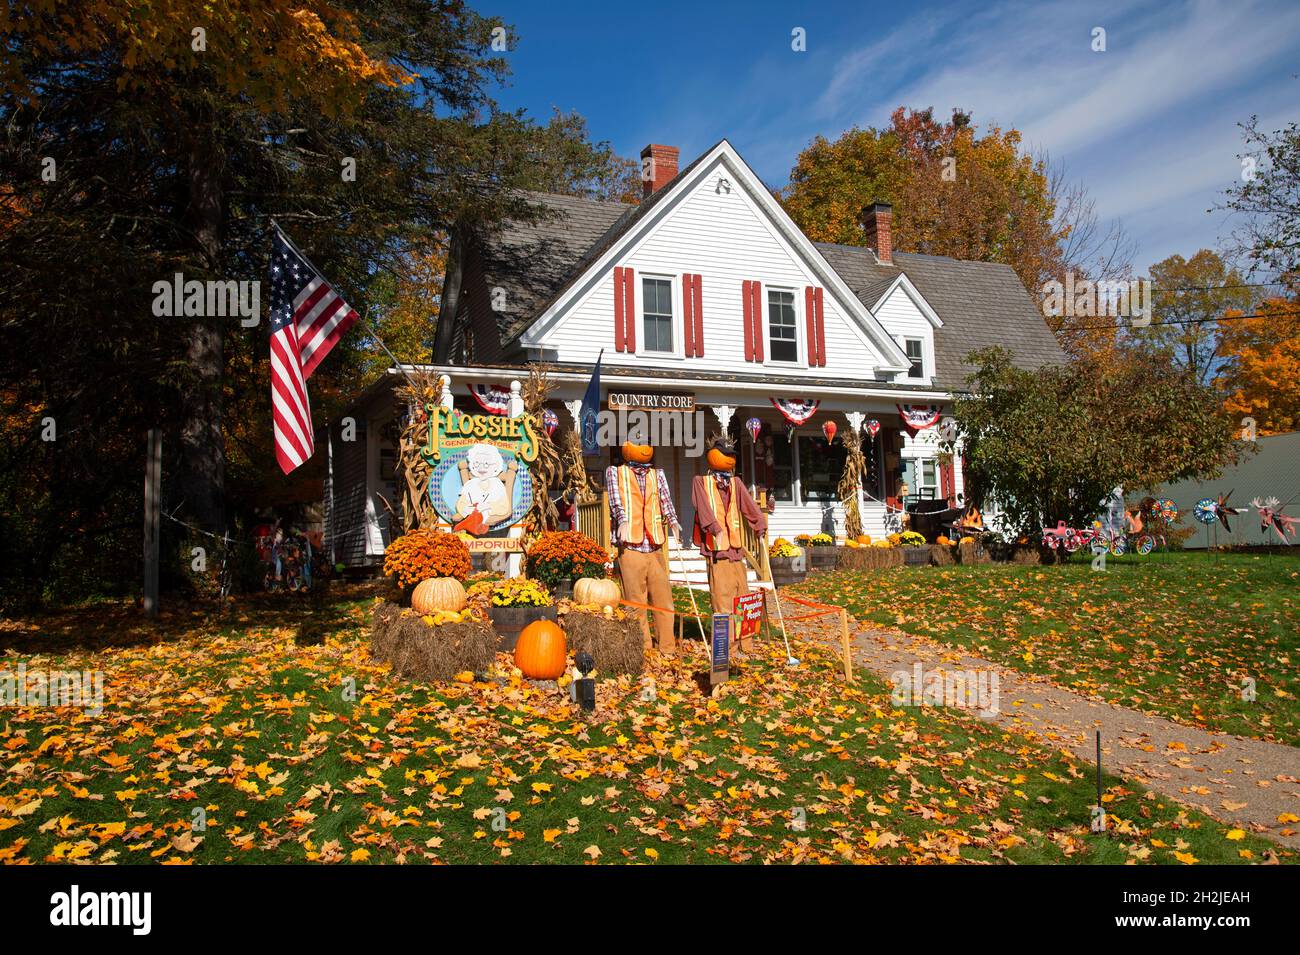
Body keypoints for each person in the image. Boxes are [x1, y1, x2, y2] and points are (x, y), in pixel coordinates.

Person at [692, 436, 767, 655]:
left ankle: (746, 643)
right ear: (714, 456)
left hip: (736, 549)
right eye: (725, 454)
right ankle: (727, 649)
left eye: (732, 455)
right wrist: (715, 529)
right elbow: (703, 509)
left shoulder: (736, 483)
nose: (730, 459)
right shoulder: (701, 482)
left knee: (742, 597)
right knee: (722, 599)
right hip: (717, 551)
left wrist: (759, 525)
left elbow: (749, 506)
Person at [606, 440, 679, 653]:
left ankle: (667, 646)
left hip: (654, 544)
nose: (644, 447)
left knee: (663, 599)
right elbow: (615, 500)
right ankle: (643, 647)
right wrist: (622, 520)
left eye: (646, 443)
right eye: (638, 443)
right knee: (635, 601)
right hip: (630, 545)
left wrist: (672, 520)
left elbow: (666, 501)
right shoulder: (615, 473)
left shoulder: (657, 475)